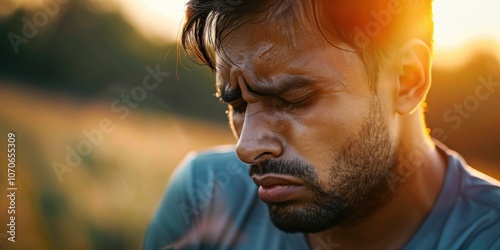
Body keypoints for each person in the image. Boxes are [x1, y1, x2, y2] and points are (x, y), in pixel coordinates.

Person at [144, 0, 500, 249]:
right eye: (236, 104)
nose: (247, 147)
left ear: (406, 79)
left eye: (292, 99)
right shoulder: (203, 197)